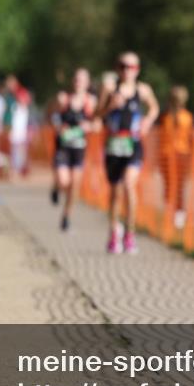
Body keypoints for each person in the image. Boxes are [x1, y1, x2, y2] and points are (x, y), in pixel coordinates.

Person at [98, 52, 159, 255]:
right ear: (117, 68)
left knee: (129, 185)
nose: (126, 70)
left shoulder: (142, 90)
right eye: (123, 66)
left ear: (137, 70)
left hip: (133, 145)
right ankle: (114, 234)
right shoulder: (109, 88)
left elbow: (154, 108)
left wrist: (147, 121)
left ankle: (130, 235)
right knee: (115, 194)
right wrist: (109, 107)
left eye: (131, 67)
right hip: (114, 145)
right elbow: (96, 114)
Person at [50, 68, 97, 231]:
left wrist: (89, 126)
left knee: (74, 186)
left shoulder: (91, 102)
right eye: (76, 79)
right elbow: (52, 116)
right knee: (64, 181)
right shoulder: (63, 99)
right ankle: (56, 187)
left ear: (87, 83)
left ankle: (67, 216)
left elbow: (98, 123)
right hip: (63, 147)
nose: (79, 83)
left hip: (79, 149)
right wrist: (58, 126)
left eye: (82, 80)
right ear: (73, 81)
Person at [157, 85, 194, 230]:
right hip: (167, 154)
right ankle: (170, 210)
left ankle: (178, 213)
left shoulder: (187, 117)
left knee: (179, 185)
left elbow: (190, 138)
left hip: (181, 154)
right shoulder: (165, 117)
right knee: (168, 184)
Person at [9, 88, 31, 181]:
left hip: (22, 135)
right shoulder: (15, 107)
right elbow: (12, 121)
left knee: (22, 155)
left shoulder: (25, 109)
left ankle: (19, 172)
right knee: (15, 155)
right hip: (15, 135)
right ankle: (13, 173)